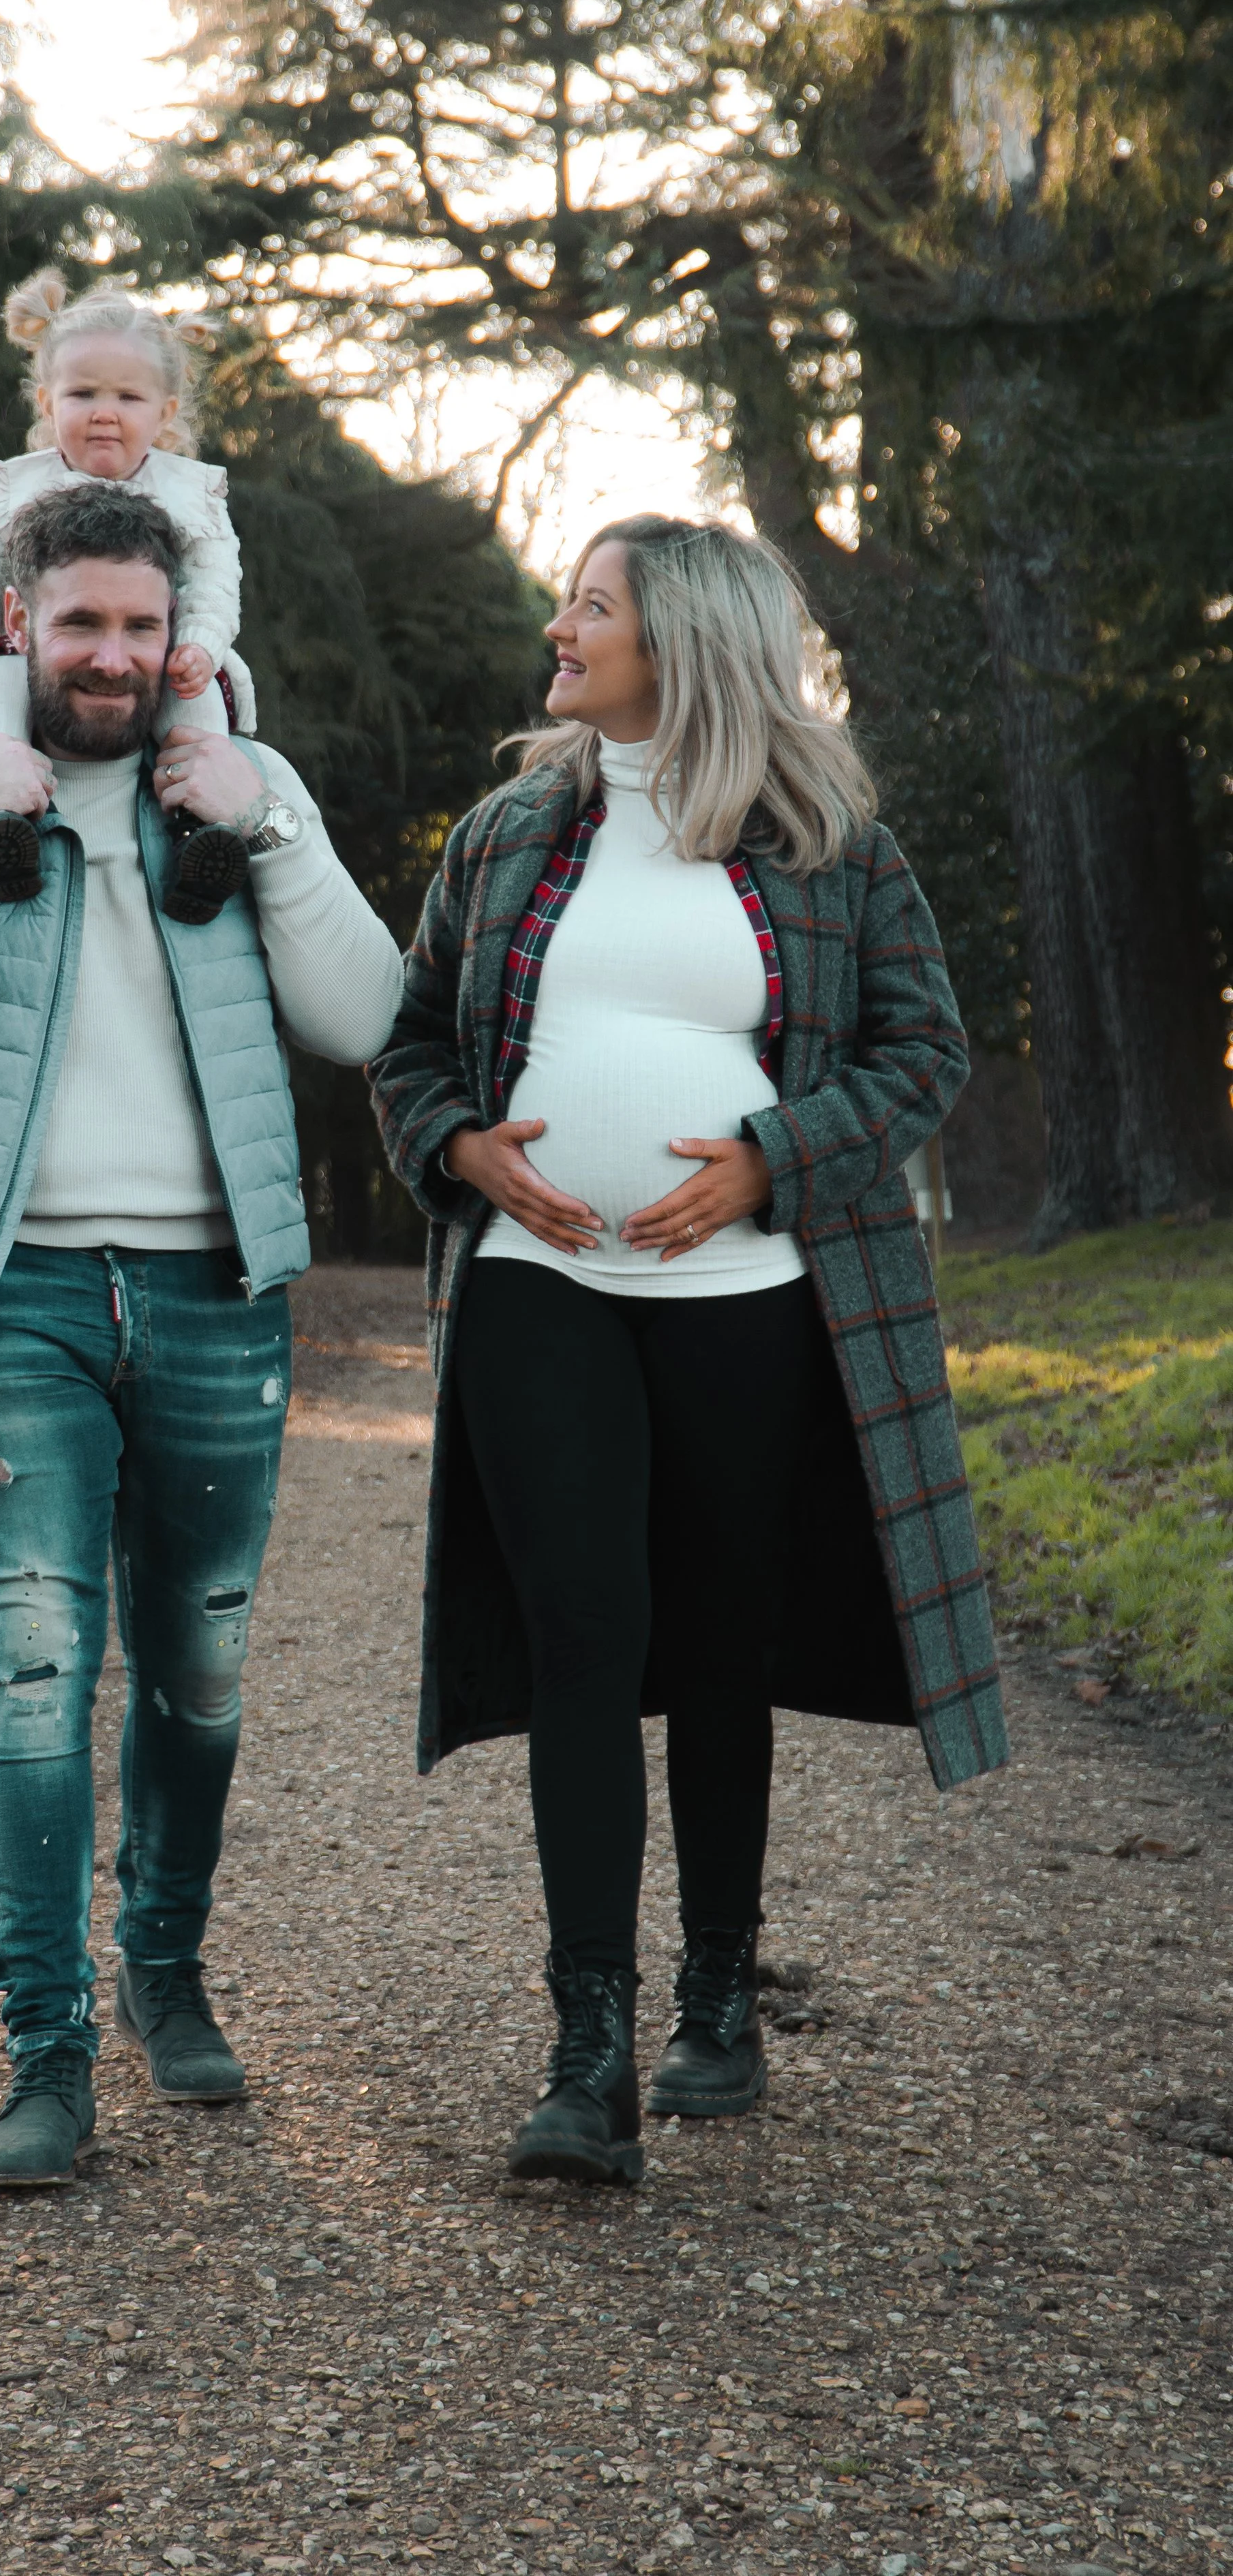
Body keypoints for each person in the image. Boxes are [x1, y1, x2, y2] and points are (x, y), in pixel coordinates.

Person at [367, 515, 1007, 2189]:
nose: (561, 628)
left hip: (754, 1302)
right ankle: (589, 2059)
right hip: (536, 1287)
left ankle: (717, 1991)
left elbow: (923, 1049)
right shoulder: (510, 829)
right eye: (572, 602)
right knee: (591, 1640)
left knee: (720, 1648)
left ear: (687, 645)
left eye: (596, 608)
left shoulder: (828, 839)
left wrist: (770, 1161)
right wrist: (461, 1151)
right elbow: (413, 1046)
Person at [0, 480, 401, 2188]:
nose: (114, 659)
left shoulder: (237, 789)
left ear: (175, 634)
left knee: (198, 1665)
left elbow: (365, 1013)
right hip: (10, 1298)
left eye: (142, 628)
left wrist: (267, 816)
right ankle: (44, 2051)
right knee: (40, 1666)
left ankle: (166, 1965)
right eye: (82, 627)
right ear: (14, 630)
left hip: (213, 1288)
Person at [0, 271, 250, 923]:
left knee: (199, 703)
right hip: (39, 657)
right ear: (47, 403)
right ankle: (3, 821)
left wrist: (200, 644)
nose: (105, 411)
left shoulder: (191, 493)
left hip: (162, 654)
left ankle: (198, 830)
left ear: (164, 412)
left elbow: (216, 583)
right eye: (83, 393)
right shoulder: (18, 491)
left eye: (129, 396)